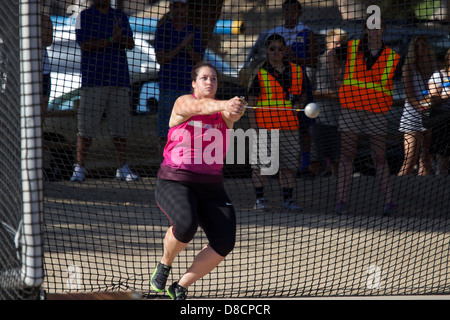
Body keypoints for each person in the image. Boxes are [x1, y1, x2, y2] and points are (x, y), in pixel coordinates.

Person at [151, 63, 245, 300]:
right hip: (175, 181)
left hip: (211, 186)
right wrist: (226, 102)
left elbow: (232, 114)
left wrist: (235, 109)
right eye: (204, 78)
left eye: (214, 79)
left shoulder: (224, 112)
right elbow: (200, 106)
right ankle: (164, 264)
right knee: (185, 225)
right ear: (194, 83)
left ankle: (180, 286)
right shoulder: (183, 102)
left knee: (225, 241)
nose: (210, 82)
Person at [331, 18, 401, 216]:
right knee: (347, 156)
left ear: (384, 29)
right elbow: (331, 55)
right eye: (371, 27)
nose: (374, 31)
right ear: (365, 29)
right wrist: (336, 79)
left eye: (379, 27)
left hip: (376, 111)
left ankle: (389, 203)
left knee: (379, 157)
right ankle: (342, 201)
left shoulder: (392, 56)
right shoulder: (352, 47)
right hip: (351, 108)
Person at [71, 0, 138, 182]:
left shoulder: (120, 16)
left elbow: (130, 44)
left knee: (120, 127)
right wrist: (111, 39)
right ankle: (79, 167)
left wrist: (120, 37)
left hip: (119, 79)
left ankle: (122, 167)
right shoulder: (83, 17)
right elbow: (85, 44)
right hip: (94, 81)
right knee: (86, 127)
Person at [247, 34, 314, 212]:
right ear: (266, 51)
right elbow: (251, 103)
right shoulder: (259, 72)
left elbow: (304, 94)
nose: (276, 52)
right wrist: (254, 128)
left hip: (289, 126)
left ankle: (288, 200)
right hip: (265, 126)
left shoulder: (298, 71)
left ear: (285, 50)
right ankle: (260, 200)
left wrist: (300, 102)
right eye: (272, 49)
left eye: (279, 48)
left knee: (288, 166)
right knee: (261, 166)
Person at [266, 0, 319, 177]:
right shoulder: (274, 33)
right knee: (275, 126)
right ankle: (274, 166)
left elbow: (314, 62)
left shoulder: (307, 33)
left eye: (293, 11)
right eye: (286, 11)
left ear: (299, 13)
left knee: (303, 127)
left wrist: (293, 58)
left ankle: (304, 166)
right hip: (278, 85)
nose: (289, 14)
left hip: (300, 84)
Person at [154, 0, 204, 155]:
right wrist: (182, 45)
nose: (179, 10)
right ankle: (166, 162)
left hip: (188, 87)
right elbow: (161, 58)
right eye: (176, 6)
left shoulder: (194, 31)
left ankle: (185, 162)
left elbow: (198, 59)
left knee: (188, 128)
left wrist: (188, 46)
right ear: (171, 8)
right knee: (166, 128)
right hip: (168, 85)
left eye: (182, 6)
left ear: (187, 8)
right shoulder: (163, 30)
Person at [310, 28, 347, 178]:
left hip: (342, 119)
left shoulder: (348, 65)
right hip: (320, 118)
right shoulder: (317, 63)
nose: (338, 46)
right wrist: (333, 95)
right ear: (327, 43)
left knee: (338, 158)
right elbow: (307, 92)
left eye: (342, 43)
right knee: (316, 157)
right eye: (335, 43)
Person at [398, 37, 436, 176]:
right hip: (412, 116)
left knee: (426, 160)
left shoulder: (434, 66)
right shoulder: (408, 68)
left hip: (431, 116)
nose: (422, 49)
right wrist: (424, 106)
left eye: (424, 45)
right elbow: (410, 97)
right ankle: (395, 193)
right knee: (410, 159)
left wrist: (433, 103)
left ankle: (421, 195)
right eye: (418, 47)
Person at [427, 48, 450, 174]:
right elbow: (433, 100)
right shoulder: (439, 76)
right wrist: (447, 95)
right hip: (443, 122)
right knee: (443, 156)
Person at [41, 13, 53, 115]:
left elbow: (48, 41)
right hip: (16, 70)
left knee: (41, 111)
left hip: (42, 72)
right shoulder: (12, 17)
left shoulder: (44, 19)